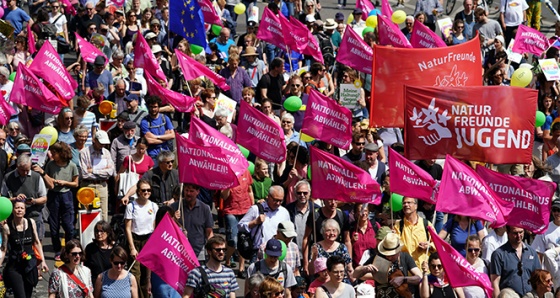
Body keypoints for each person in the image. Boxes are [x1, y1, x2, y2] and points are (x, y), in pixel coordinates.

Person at [35, 142, 78, 261]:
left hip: (67, 195)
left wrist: (65, 183)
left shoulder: (72, 165)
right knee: (54, 226)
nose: (51, 154)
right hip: (54, 195)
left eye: (54, 153)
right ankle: (57, 250)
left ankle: (69, 248)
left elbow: (75, 183)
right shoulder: (50, 164)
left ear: (61, 153)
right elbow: (46, 179)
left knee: (69, 225)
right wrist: (51, 180)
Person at [1, 199, 48, 298]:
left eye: (22, 208)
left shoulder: (31, 222)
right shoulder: (7, 227)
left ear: (25, 211)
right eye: (17, 208)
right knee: (20, 296)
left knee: (27, 295)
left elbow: (36, 242)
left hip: (29, 265)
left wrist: (43, 261)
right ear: (13, 210)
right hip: (14, 266)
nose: (19, 210)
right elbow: (3, 248)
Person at [353, 233, 423, 298]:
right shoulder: (377, 258)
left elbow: (419, 278)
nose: (389, 257)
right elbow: (355, 275)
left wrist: (403, 279)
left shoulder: (405, 257)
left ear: (398, 251)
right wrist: (364, 269)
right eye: (387, 254)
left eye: (392, 255)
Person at [238, 186, 290, 265]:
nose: (278, 203)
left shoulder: (284, 212)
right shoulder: (256, 209)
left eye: (280, 201)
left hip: (277, 253)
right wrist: (255, 222)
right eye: (275, 200)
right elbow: (240, 226)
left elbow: (288, 231)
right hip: (258, 253)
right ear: (268, 196)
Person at [124, 179, 158, 298]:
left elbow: (155, 226)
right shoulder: (131, 206)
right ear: (138, 191)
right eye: (143, 190)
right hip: (136, 240)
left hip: (148, 240)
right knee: (135, 274)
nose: (146, 192)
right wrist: (132, 248)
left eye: (149, 190)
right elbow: (128, 228)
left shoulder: (154, 206)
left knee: (147, 274)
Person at [2, 154, 48, 241]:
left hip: (33, 215)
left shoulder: (37, 177)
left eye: (28, 170)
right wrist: (15, 199)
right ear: (17, 166)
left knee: (37, 241)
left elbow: (44, 198)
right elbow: (3, 199)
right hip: (15, 218)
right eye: (23, 170)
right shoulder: (8, 177)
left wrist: (33, 201)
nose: (26, 173)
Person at [491, 225, 541, 297]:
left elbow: (538, 278)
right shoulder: (499, 254)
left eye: (521, 232)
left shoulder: (532, 252)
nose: (518, 236)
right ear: (507, 232)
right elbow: (495, 283)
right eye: (515, 233)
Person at [80, 130, 115, 221]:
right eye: (100, 143)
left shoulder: (106, 152)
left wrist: (94, 170)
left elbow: (110, 172)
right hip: (88, 185)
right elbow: (84, 174)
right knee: (86, 212)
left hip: (102, 185)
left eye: (104, 143)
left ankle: (103, 233)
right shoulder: (84, 152)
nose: (102, 145)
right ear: (94, 140)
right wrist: (103, 172)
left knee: (103, 212)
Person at [172, 183, 214, 259]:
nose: (188, 193)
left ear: (198, 192)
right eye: (186, 190)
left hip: (198, 251)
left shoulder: (205, 208)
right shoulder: (175, 207)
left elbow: (209, 232)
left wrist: (212, 249)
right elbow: (166, 228)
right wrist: (173, 219)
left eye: (191, 191)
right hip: (179, 250)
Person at [140, 95, 175, 163]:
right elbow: (150, 141)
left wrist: (156, 137)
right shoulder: (144, 121)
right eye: (151, 107)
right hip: (153, 154)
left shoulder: (164, 118)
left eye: (155, 107)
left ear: (159, 107)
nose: (153, 109)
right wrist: (165, 138)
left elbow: (172, 135)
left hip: (166, 153)